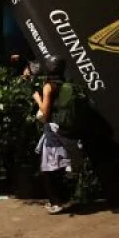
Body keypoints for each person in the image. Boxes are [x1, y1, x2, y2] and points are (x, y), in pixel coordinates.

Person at [33, 57, 82, 214]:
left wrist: (37, 99)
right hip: (64, 130)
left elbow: (46, 114)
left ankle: (56, 203)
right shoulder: (66, 84)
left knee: (48, 170)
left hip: (53, 132)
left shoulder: (49, 86)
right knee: (60, 167)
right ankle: (63, 199)